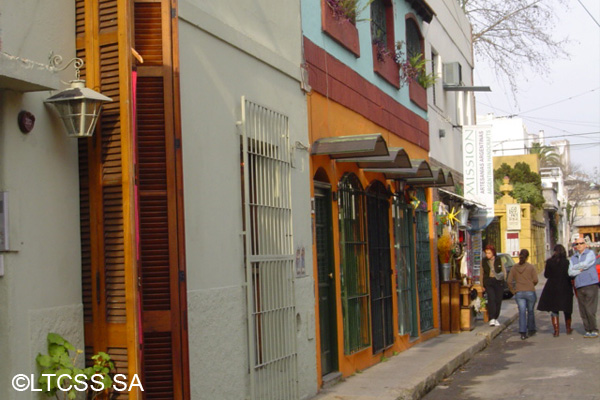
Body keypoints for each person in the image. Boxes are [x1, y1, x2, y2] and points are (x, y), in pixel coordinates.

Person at [537, 244, 573, 337]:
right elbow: (570, 275)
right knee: (567, 308)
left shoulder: (549, 262)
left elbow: (546, 275)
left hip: (552, 287)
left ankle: (556, 331)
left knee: (554, 310)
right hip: (565, 287)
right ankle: (568, 328)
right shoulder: (566, 262)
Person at [568, 238, 599, 338]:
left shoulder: (590, 254)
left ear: (585, 244)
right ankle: (587, 329)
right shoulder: (573, 258)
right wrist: (580, 270)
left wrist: (576, 267)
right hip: (579, 285)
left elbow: (586, 264)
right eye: (577, 243)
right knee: (583, 309)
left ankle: (594, 329)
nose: (579, 245)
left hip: (591, 283)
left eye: (581, 243)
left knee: (590, 309)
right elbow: (570, 272)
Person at [507, 249, 539, 340]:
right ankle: (531, 329)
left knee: (521, 312)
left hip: (519, 292)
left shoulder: (514, 268)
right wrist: (531, 285)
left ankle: (523, 332)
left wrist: (513, 291)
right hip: (530, 291)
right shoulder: (531, 267)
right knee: (530, 311)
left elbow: (509, 281)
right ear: (527, 257)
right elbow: (536, 280)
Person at [481, 244, 506, 327]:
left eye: (489, 253)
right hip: (489, 281)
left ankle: (495, 317)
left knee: (498, 300)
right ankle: (491, 318)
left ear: (493, 253)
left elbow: (503, 270)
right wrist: (482, 285)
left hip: (498, 282)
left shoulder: (499, 260)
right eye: (486, 253)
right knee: (491, 299)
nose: (487, 255)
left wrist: (504, 280)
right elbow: (482, 273)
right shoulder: (484, 261)